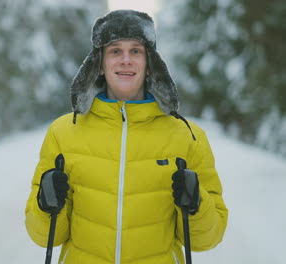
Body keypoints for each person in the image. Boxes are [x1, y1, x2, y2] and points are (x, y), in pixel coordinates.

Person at [25, 9, 228, 264]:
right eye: (115, 51)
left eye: (135, 51)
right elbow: (44, 237)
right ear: (100, 63)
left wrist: (197, 204)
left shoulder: (188, 137)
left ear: (150, 63)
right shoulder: (63, 132)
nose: (125, 60)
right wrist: (46, 205)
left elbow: (207, 238)